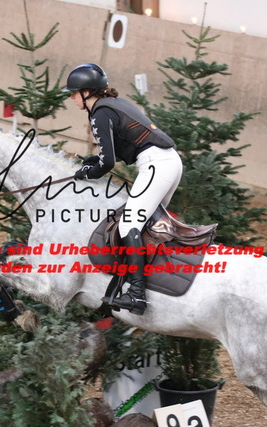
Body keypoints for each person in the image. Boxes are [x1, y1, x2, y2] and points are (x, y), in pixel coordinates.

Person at [65, 63, 183, 315]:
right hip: (169, 162)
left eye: (73, 93)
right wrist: (94, 160)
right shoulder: (114, 104)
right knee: (148, 223)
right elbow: (117, 149)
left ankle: (137, 295)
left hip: (156, 165)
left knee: (129, 224)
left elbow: (107, 163)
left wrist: (85, 173)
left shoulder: (100, 113)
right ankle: (157, 280)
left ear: (87, 92)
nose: (71, 98)